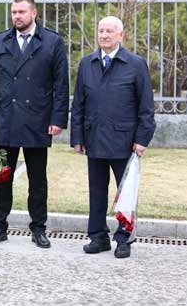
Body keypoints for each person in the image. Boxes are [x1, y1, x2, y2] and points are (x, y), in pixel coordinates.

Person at [0, 0, 69, 248]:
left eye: (21, 12)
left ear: (34, 14)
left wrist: (58, 118)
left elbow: (61, 85)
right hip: (6, 118)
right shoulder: (0, 41)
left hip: (38, 120)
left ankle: (38, 228)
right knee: (2, 177)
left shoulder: (52, 41)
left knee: (37, 180)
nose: (17, 16)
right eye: (14, 12)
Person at [70, 16, 155, 259]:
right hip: (94, 138)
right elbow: (78, 104)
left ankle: (124, 238)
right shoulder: (87, 64)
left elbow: (146, 107)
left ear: (121, 35)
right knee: (96, 192)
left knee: (125, 193)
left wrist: (142, 139)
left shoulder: (136, 64)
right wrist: (77, 137)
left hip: (125, 141)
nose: (104, 35)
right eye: (101, 30)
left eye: (109, 31)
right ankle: (98, 237)